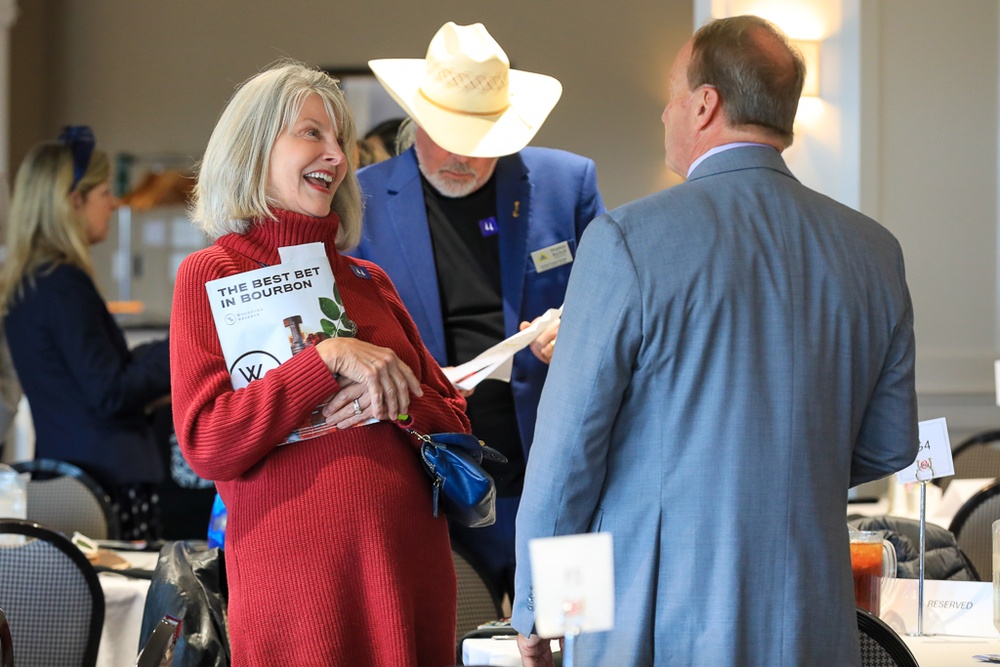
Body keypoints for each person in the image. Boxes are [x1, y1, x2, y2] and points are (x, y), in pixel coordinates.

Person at [512, 15, 918, 666]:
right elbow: (887, 444)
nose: (667, 112)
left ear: (705, 105)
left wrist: (542, 610)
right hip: (813, 616)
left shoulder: (626, 240)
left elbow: (567, 461)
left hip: (653, 614)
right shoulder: (874, 251)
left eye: (672, 95)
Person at [169, 61, 470, 666]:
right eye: (312, 132)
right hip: (299, 594)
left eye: (340, 138)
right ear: (255, 148)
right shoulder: (211, 274)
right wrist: (325, 358)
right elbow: (207, 442)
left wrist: (396, 395)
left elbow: (456, 423)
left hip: (409, 572)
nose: (335, 153)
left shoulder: (366, 278)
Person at [352, 21, 605, 600]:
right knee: (448, 640)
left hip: (556, 469)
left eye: (479, 138)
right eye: (444, 134)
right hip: (428, 475)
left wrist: (580, 331)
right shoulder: (362, 201)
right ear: (415, 119)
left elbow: (616, 310)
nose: (461, 155)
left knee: (577, 631)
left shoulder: (568, 183)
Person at [0, 127, 171, 541]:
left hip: (70, 477)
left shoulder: (28, 284)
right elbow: (110, 392)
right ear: (73, 202)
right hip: (105, 484)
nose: (113, 204)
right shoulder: (64, 284)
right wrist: (180, 347)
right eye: (104, 194)